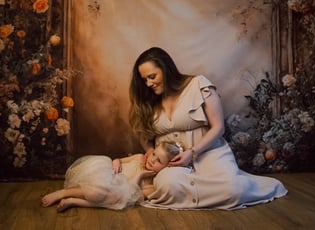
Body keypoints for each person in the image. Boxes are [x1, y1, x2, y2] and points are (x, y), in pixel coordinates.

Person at [129, 47, 288, 210]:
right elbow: (141, 130)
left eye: (152, 77)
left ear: (165, 69)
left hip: (206, 153)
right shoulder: (149, 99)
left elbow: (218, 127)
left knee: (233, 190)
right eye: (145, 80)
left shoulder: (198, 85)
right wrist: (149, 149)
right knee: (168, 185)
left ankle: (234, 185)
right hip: (170, 163)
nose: (148, 83)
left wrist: (192, 152)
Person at [41, 141, 182, 212]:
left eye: (159, 161)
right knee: (101, 190)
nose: (152, 160)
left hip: (113, 193)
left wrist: (140, 175)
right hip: (106, 173)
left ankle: (73, 201)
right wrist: (116, 162)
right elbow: (118, 160)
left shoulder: (152, 185)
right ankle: (64, 193)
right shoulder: (139, 158)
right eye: (153, 154)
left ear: (167, 166)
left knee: (110, 196)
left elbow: (129, 195)